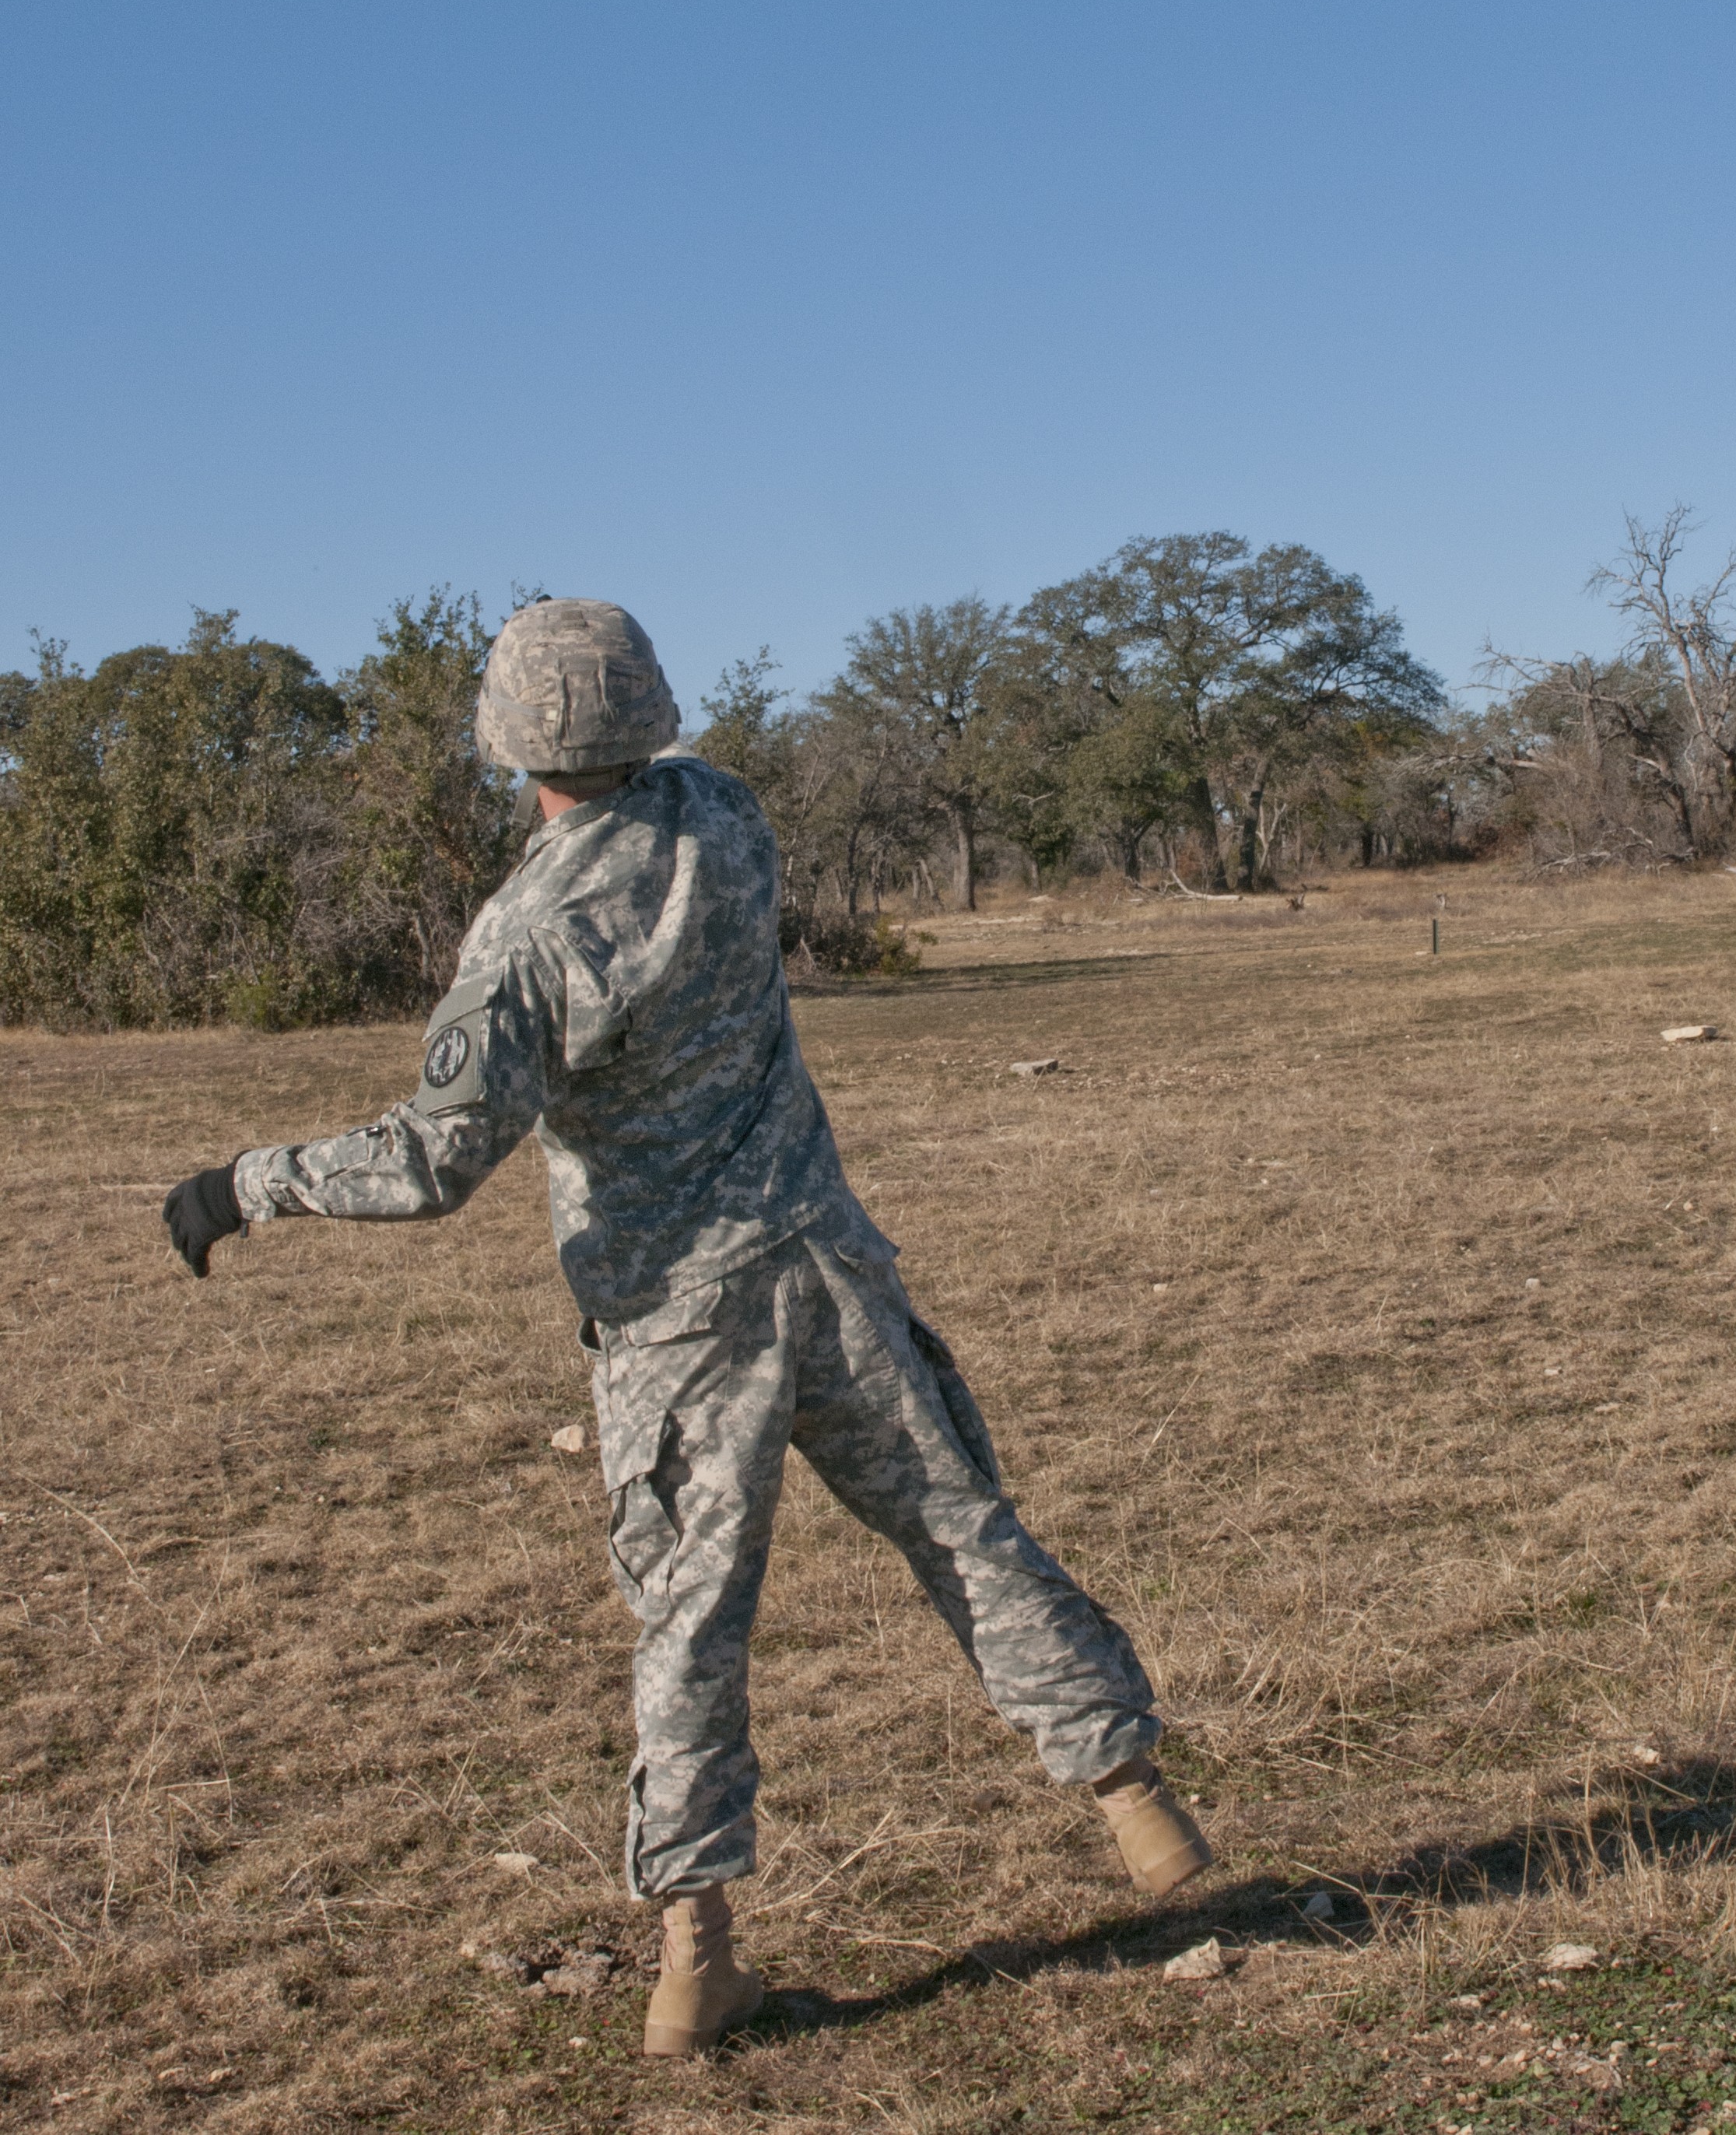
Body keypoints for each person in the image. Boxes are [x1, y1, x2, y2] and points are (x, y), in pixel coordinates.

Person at [163, 598, 1210, 2058]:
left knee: (691, 1630)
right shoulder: (726, 815)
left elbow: (431, 1161)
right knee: (963, 1532)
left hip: (675, 1324)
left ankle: (696, 1956)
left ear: (505, 737)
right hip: (830, 1266)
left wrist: (248, 1184)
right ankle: (1137, 1806)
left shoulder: (524, 931)